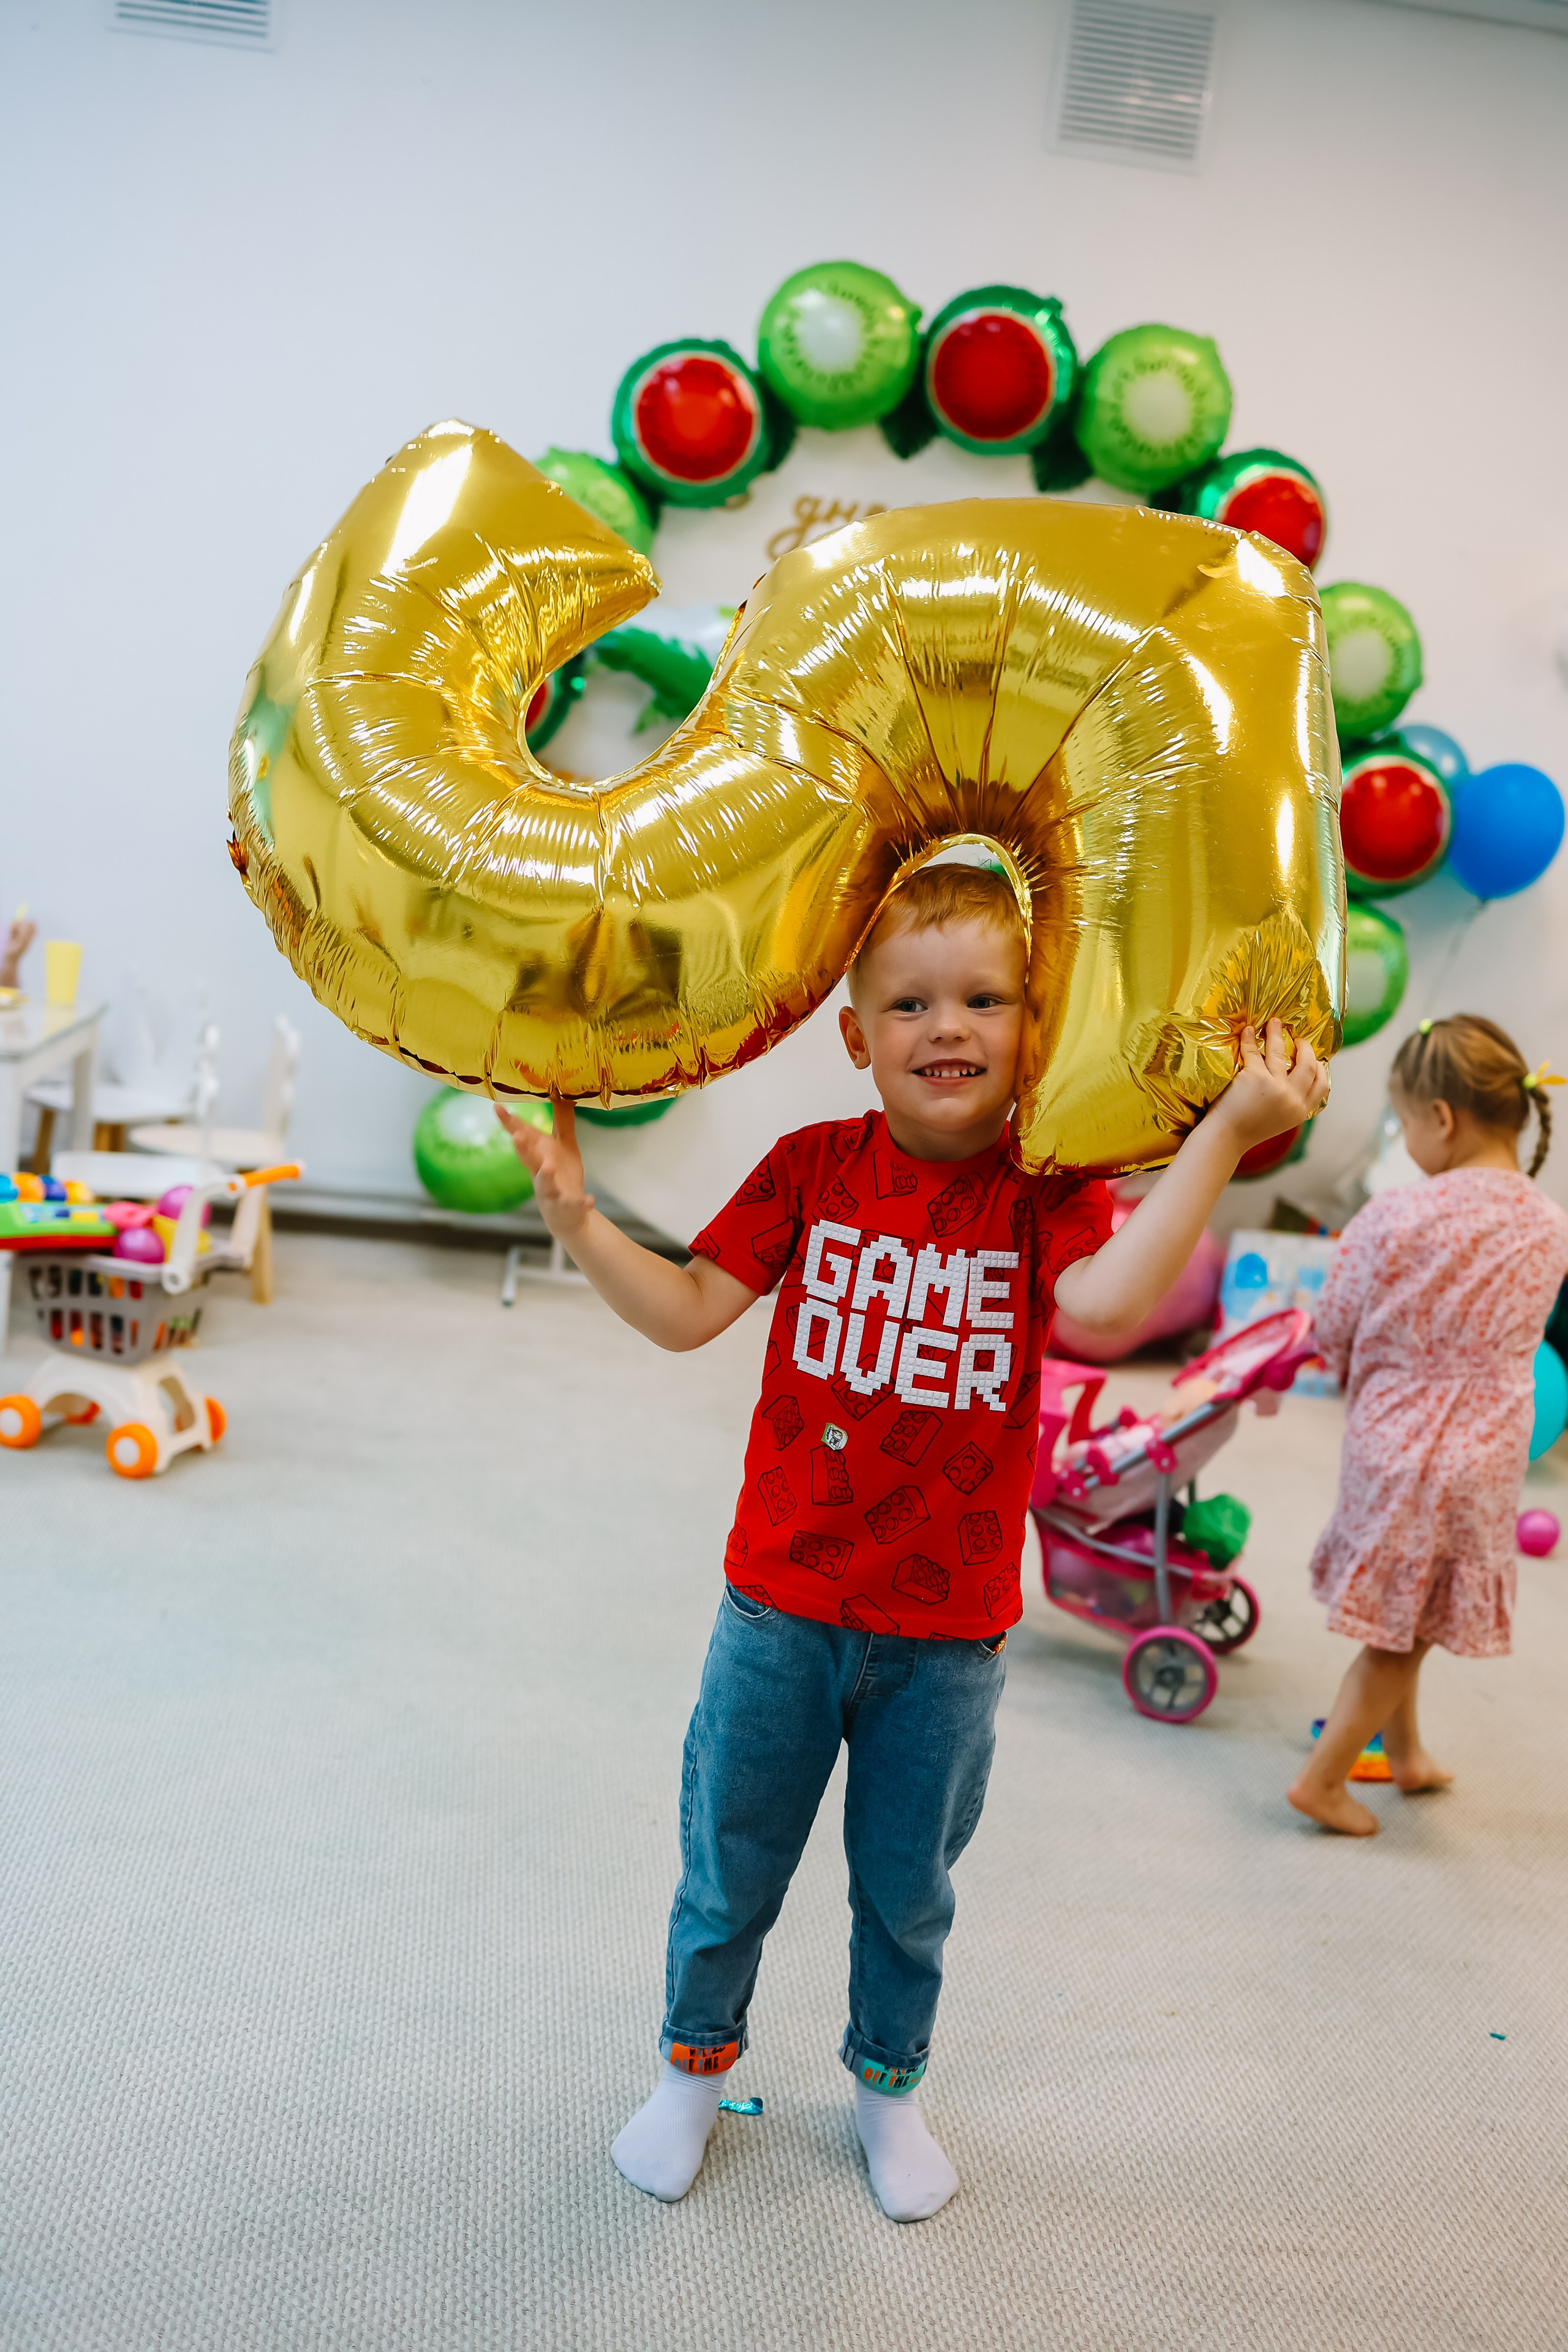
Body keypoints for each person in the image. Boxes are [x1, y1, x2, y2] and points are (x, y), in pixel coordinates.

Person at [500, 864, 1325, 2219]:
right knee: (731, 1863)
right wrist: (581, 1224)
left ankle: (887, 2090)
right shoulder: (810, 1168)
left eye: (983, 999)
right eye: (908, 1004)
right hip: (777, 1610)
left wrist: (1227, 1133)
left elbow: (1112, 1308)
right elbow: (689, 1307)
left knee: (906, 1892)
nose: (945, 1026)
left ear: (1032, 1028)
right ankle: (691, 2074)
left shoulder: (1044, 1193)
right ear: (855, 1034)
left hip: (944, 1644)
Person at [1288, 1014, 1568, 1838]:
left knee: (1407, 1618)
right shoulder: (1550, 1226)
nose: (1406, 1139)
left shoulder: (1394, 1215)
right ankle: (1324, 1778)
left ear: (1440, 1118)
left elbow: (1333, 1324)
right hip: (1482, 1449)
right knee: (1412, 1621)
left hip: (1395, 1439)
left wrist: (1339, 1365)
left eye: (1404, 1121)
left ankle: (1395, 1756)